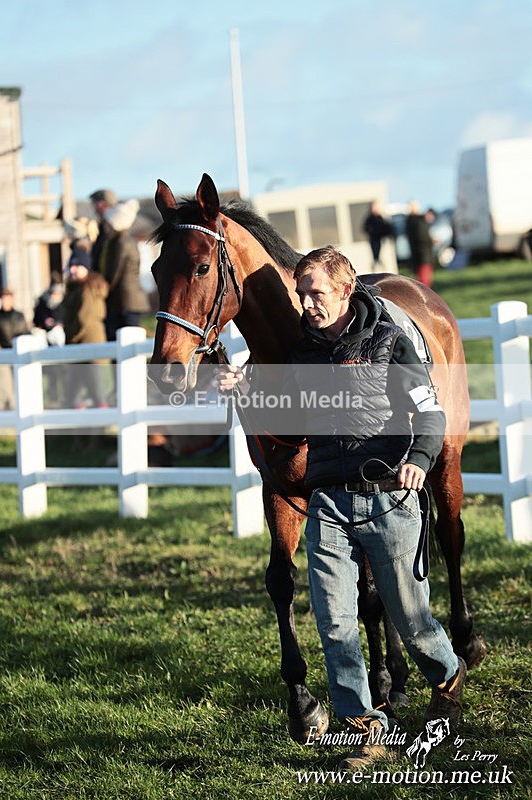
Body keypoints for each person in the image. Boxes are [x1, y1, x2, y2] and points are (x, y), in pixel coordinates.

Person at [216, 246, 466, 772]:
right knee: (335, 623)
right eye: (301, 294)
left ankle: (448, 675)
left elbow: (429, 414)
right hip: (328, 502)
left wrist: (419, 460)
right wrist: (245, 392)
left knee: (412, 618)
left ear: (345, 290)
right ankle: (365, 729)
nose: (307, 304)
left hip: (389, 500)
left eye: (317, 293)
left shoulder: (390, 342)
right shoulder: (303, 357)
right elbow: (289, 426)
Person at [62, 251, 109, 408]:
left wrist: (71, 338)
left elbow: (84, 319)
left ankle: (103, 426)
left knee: (97, 393)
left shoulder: (89, 289)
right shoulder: (75, 288)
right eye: (72, 266)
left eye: (78, 265)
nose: (73, 269)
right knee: (73, 394)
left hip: (89, 345)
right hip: (80, 347)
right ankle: (81, 429)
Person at [97, 198, 148, 340]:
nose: (105, 225)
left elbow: (114, 272)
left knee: (127, 340)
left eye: (108, 222)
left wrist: (103, 289)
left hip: (125, 301)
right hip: (123, 300)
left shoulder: (121, 243)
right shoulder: (117, 241)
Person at [33, 272, 66, 407]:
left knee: (63, 371)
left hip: (61, 340)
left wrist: (60, 323)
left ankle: (64, 396)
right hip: (47, 341)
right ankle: (53, 397)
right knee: (50, 372)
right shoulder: (42, 301)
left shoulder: (65, 301)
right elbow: (37, 320)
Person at [405, 201, 435, 287]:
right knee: (424, 279)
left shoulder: (409, 221)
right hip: (423, 252)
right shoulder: (419, 220)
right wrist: (431, 240)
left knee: (422, 277)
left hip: (417, 252)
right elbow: (422, 236)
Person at [89, 188, 118, 272]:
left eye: (93, 205)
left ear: (100, 204)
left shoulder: (113, 228)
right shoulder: (103, 227)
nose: (93, 210)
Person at [362, 201, 394, 269]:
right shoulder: (370, 218)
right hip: (374, 240)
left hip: (382, 240)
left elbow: (387, 228)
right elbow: (365, 228)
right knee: (375, 255)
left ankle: (381, 266)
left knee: (381, 255)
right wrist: (373, 232)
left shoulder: (381, 218)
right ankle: (375, 266)